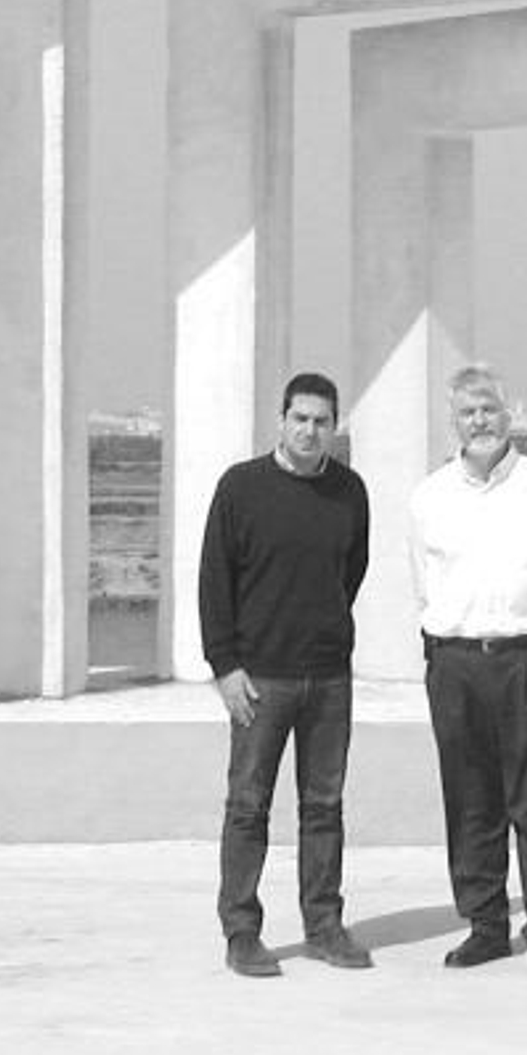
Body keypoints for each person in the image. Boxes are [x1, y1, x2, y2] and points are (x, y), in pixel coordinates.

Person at [409, 362, 527, 982]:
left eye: (489, 409)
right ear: (453, 422)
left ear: (508, 415)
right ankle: (485, 924)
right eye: (468, 412)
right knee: (470, 800)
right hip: (455, 663)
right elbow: (422, 583)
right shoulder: (430, 495)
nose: (480, 421)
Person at [198, 370, 374, 978]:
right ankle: (242, 931)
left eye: (322, 421)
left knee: (323, 806)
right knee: (248, 806)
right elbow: (214, 581)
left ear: (334, 427)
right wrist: (225, 666)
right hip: (260, 679)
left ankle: (324, 926)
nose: (310, 430)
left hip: (328, 677)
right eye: (300, 418)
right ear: (282, 420)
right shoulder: (241, 487)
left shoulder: (349, 490)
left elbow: (352, 571)